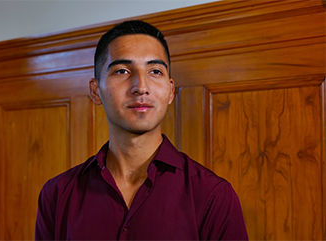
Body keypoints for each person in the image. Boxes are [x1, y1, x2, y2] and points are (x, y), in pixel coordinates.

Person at [35, 20, 248, 241]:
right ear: (96, 91)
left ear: (171, 90)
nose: (141, 87)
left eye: (155, 71)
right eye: (122, 71)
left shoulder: (213, 196)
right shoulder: (57, 194)